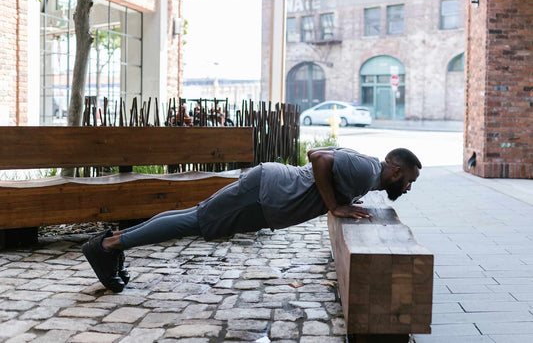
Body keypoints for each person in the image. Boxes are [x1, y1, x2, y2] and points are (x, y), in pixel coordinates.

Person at [82, 147, 421, 292]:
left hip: (266, 192)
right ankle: (108, 245)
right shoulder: (366, 168)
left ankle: (113, 241)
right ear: (395, 169)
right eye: (408, 180)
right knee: (195, 221)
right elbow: (318, 157)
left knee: (194, 216)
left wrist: (344, 198)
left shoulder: (367, 173)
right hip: (267, 193)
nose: (407, 187)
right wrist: (335, 205)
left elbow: (330, 168)